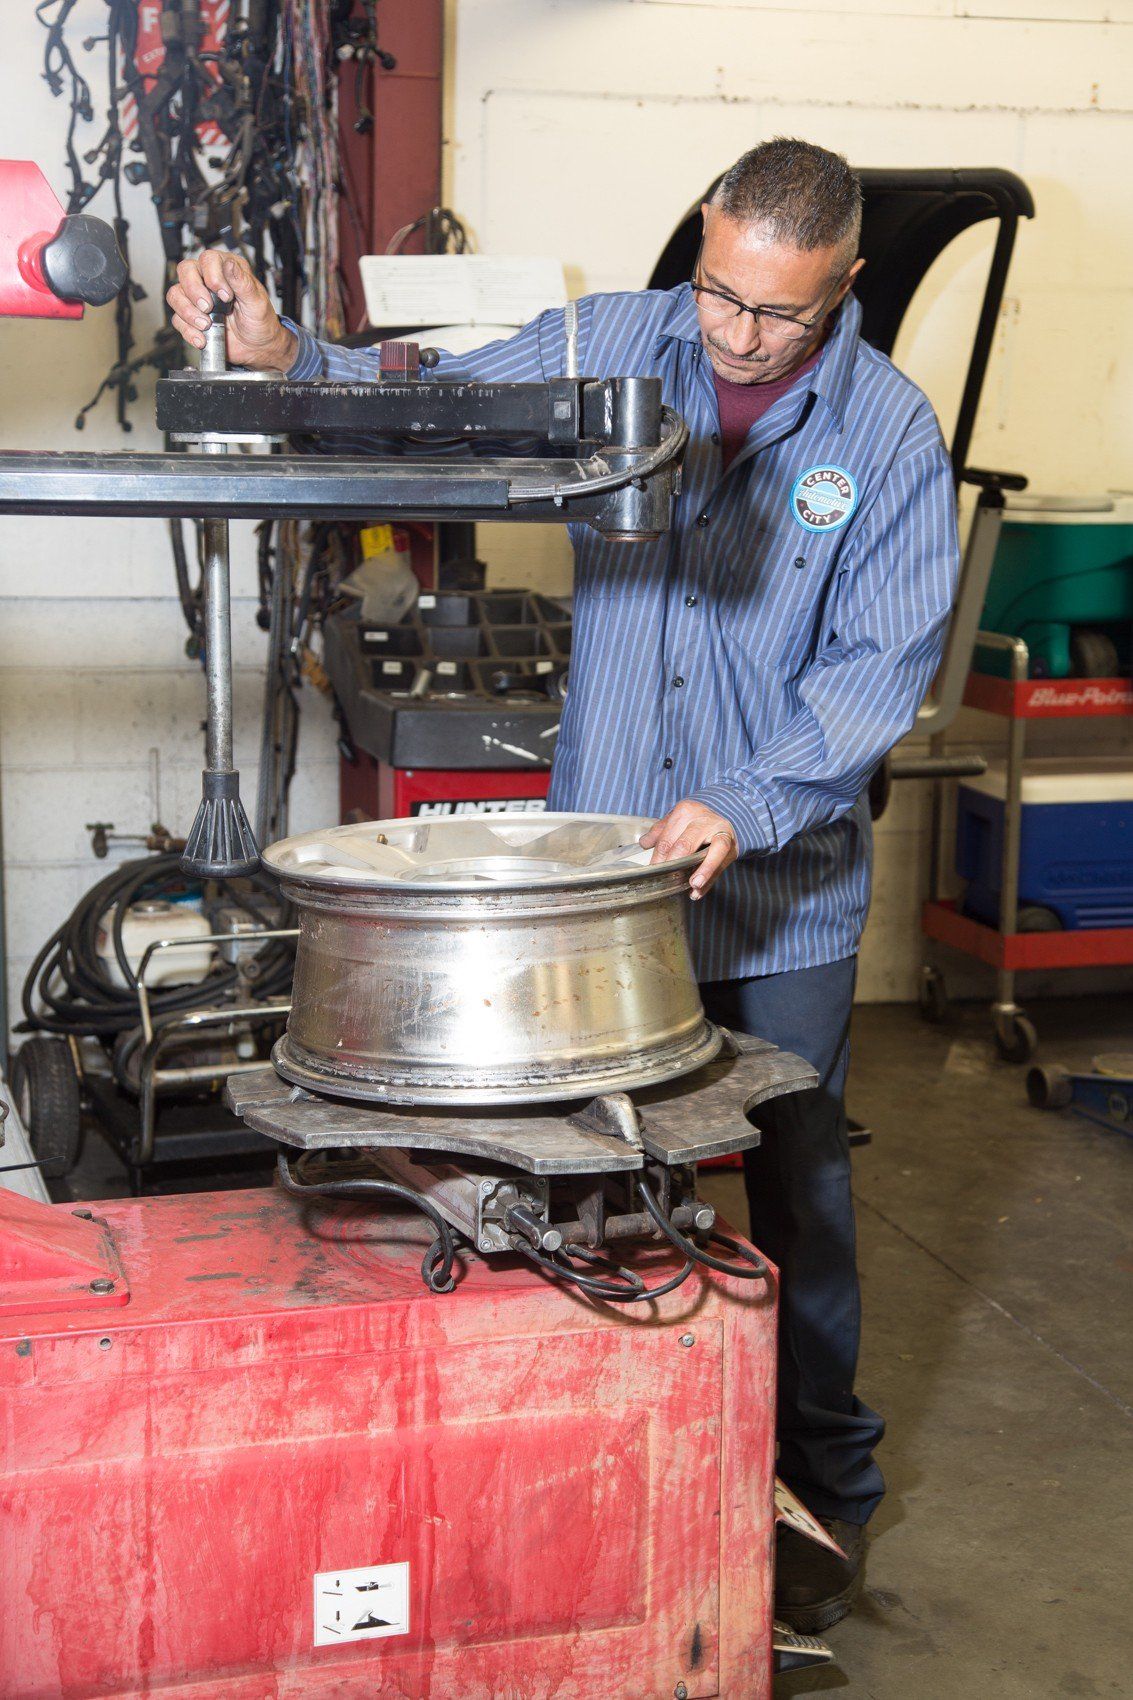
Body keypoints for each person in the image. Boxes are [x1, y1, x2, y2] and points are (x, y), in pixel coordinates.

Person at [168, 137, 959, 1634]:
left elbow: (879, 672)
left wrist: (753, 795)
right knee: (580, 1182)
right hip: (604, 893)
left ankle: (820, 1506)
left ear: (841, 288)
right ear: (699, 250)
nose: (733, 338)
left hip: (778, 894)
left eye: (776, 316)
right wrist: (293, 356)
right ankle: (603, 1481)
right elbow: (434, 411)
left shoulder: (891, 437)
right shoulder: (616, 342)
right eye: (717, 292)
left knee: (800, 1197)